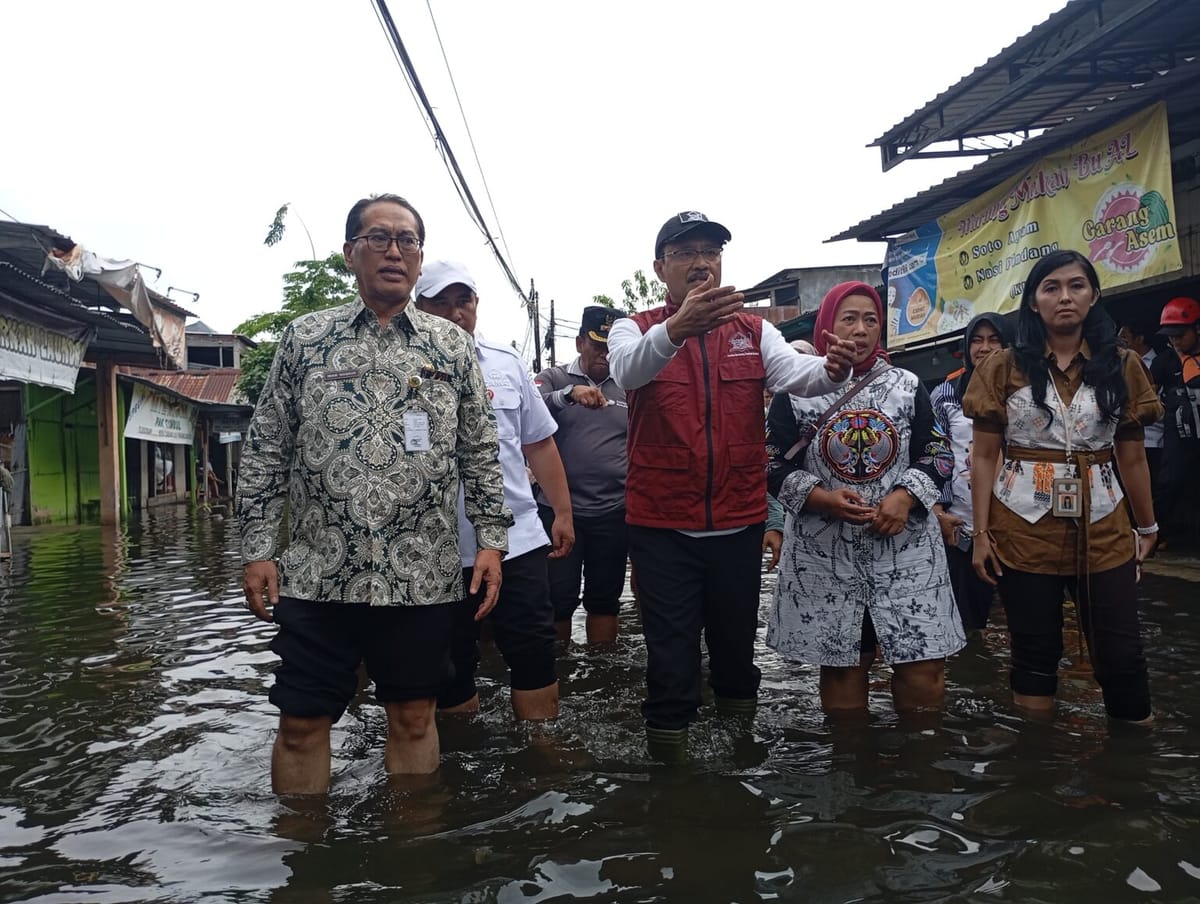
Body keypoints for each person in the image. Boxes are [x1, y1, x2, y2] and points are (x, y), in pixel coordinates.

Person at [238, 194, 512, 794]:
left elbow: (480, 452)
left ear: (419, 259)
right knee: (302, 722)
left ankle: (409, 859)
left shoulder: (452, 347)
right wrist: (258, 547)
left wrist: (492, 540)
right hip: (316, 571)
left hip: (422, 572)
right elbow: (266, 447)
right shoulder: (305, 339)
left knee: (414, 718)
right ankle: (303, 868)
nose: (395, 250)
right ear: (349, 254)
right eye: (379, 237)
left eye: (408, 240)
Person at [606, 210, 856, 762]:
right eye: (686, 253)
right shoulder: (637, 327)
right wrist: (678, 330)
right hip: (661, 526)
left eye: (711, 252)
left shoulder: (754, 329)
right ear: (660, 267)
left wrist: (833, 371)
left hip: (738, 519)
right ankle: (672, 782)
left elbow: (797, 375)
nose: (701, 263)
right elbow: (625, 373)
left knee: (737, 657)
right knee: (670, 663)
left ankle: (740, 764)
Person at [964, 250, 1162, 723]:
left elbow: (1132, 455)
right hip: (1022, 532)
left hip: (1106, 531)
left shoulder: (1123, 364)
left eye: (1076, 285)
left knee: (1123, 655)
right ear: (1033, 303)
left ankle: (1130, 772)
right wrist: (981, 534)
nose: (1064, 297)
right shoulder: (1003, 367)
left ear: (1094, 295)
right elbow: (985, 456)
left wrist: (1148, 525)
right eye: (1050, 288)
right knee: (1034, 656)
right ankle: (1035, 769)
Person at [766, 282, 964, 714]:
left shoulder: (908, 385)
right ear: (828, 326)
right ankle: (851, 770)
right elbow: (769, 460)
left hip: (905, 549)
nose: (860, 330)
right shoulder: (796, 388)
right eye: (849, 319)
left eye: (870, 320)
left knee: (923, 666)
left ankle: (921, 763)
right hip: (826, 554)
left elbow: (937, 452)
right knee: (844, 665)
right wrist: (821, 498)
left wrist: (905, 496)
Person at [414, 260, 574, 721]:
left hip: (516, 540)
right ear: (419, 308)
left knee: (534, 647)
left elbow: (539, 444)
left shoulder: (506, 365)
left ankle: (542, 752)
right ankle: (464, 756)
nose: (453, 313)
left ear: (476, 304)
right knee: (447, 661)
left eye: (462, 301)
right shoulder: (398, 371)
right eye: (439, 303)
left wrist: (562, 513)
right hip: (432, 546)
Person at [534, 305, 629, 644]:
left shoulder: (629, 385)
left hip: (614, 512)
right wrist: (567, 396)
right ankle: (558, 677)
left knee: (605, 601)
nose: (604, 354)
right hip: (561, 512)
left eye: (611, 347)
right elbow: (528, 404)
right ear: (579, 343)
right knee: (557, 602)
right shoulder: (556, 378)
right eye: (597, 345)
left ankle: (604, 676)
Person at [930, 313, 1013, 633]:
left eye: (994, 340)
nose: (985, 348)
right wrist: (939, 509)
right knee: (966, 620)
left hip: (1017, 519)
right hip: (962, 523)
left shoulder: (1023, 391)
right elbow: (936, 453)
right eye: (977, 340)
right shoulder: (946, 394)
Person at [1150, 296, 1200, 545]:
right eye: (1170, 336)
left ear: (1197, 329)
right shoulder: (1164, 361)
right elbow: (1149, 394)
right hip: (1177, 433)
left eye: (1180, 334)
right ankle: (1160, 534)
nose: (1175, 340)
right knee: (1170, 481)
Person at [1117, 322, 1166, 489]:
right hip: (1126, 440)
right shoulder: (1118, 363)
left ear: (1139, 339)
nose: (1120, 341)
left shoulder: (1158, 363)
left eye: (1125, 337)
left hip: (1154, 440)